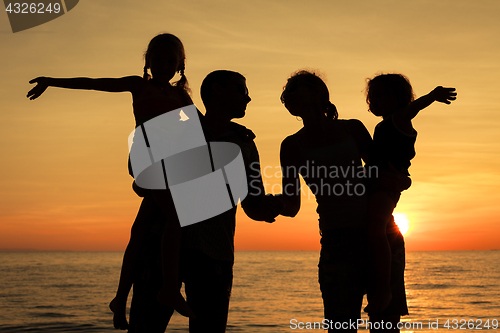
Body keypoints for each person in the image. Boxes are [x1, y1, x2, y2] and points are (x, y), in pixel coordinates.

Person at [27, 33, 198, 329]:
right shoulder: (138, 85)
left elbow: (198, 130)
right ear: (147, 61)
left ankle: (119, 301)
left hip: (168, 165)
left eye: (170, 61)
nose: (163, 65)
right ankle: (170, 288)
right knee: (176, 217)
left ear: (180, 64)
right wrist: (51, 81)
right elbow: (95, 82)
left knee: (140, 232)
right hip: (147, 158)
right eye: (157, 59)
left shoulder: (182, 97)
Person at [127, 70, 282, 333]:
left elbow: (252, 203)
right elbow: (137, 172)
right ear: (217, 90)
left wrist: (273, 207)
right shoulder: (177, 122)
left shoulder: (245, 143)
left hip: (214, 252)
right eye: (242, 90)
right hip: (160, 249)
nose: (248, 98)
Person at [277, 70, 372, 332]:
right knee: (341, 326)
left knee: (385, 322)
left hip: (379, 232)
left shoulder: (353, 128)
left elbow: (381, 174)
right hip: (336, 240)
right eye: (288, 92)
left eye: (297, 88)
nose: (289, 95)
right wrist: (263, 205)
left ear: (319, 92)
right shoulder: (292, 145)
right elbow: (291, 205)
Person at [363, 74, 456, 326]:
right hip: (379, 185)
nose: (375, 101)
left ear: (399, 99)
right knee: (375, 230)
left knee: (376, 230)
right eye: (372, 97)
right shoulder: (381, 126)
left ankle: (384, 288)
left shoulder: (398, 119)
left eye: (382, 96)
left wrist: (432, 96)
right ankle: (381, 288)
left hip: (387, 188)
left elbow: (413, 109)